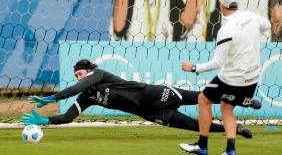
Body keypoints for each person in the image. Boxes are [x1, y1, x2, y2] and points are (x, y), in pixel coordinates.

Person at [21, 59, 260, 138]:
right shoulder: (87, 97)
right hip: (150, 112)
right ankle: (236, 129)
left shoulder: (98, 74)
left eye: (79, 74)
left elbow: (75, 88)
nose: (78, 77)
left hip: (155, 94)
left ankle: (245, 101)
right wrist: (46, 121)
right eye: (75, 75)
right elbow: (67, 116)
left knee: (203, 97)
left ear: (88, 70)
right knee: (193, 126)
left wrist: (52, 96)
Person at [179, 0, 271, 155]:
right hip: (252, 78)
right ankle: (230, 150)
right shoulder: (251, 17)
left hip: (232, 78)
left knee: (203, 100)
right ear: (237, 4)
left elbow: (217, 63)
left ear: (221, 6)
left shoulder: (226, 30)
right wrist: (249, 37)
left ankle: (202, 146)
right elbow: (268, 25)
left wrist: (194, 67)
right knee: (227, 108)